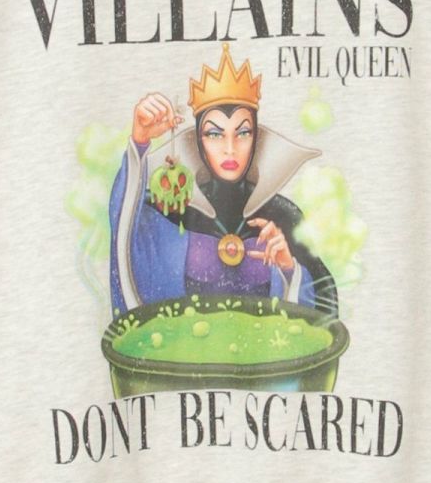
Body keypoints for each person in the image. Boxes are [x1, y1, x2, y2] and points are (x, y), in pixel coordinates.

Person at [108, 42, 337, 318]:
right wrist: (140, 140)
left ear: (256, 137)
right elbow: (124, 238)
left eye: (242, 133)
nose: (230, 148)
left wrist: (290, 271)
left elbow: (326, 312)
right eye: (215, 134)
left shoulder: (282, 216)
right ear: (198, 140)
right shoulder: (170, 210)